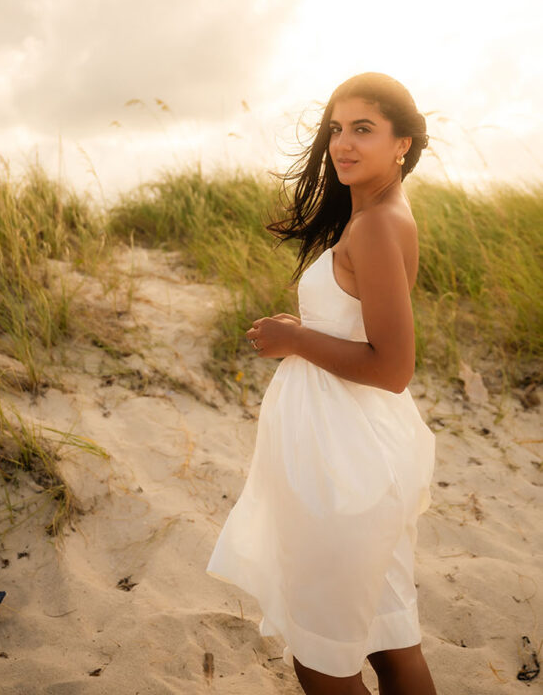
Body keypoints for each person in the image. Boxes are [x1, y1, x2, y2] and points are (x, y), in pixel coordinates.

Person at [206, 72, 437, 695]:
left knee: (320, 660)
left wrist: (295, 338)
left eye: (364, 129)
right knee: (389, 643)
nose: (343, 143)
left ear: (403, 145)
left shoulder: (378, 225)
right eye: (337, 129)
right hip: (352, 453)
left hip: (349, 467)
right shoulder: (374, 216)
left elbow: (393, 368)